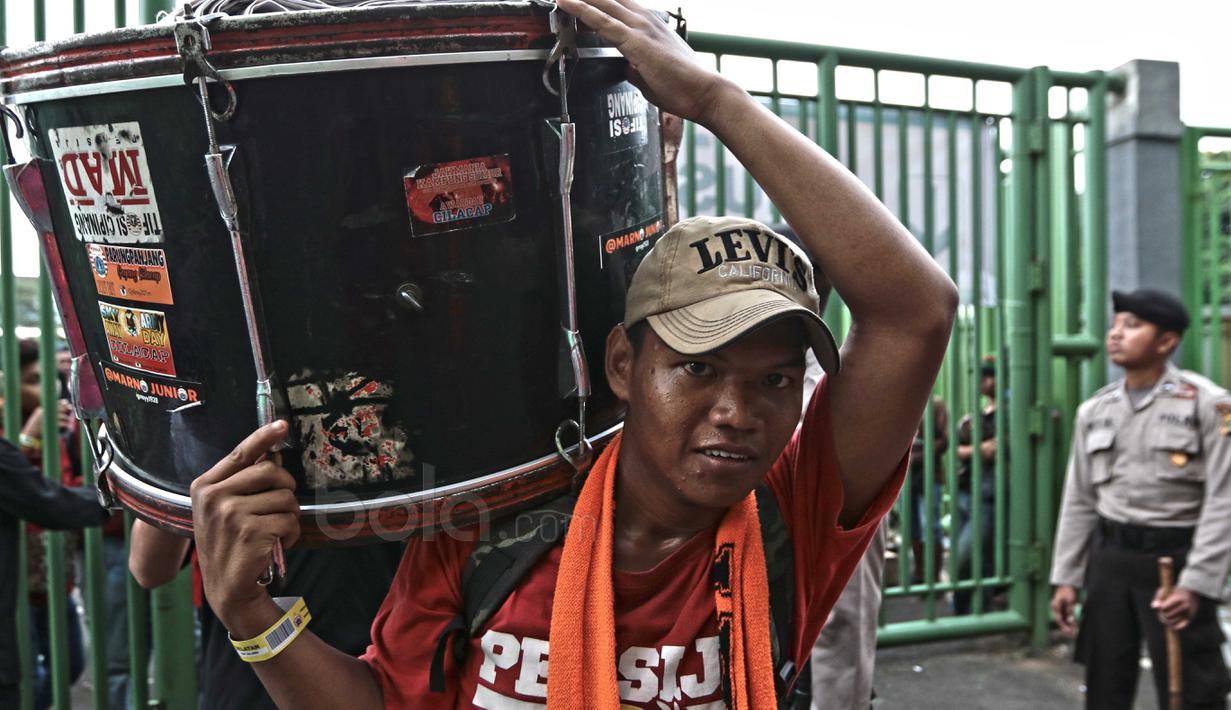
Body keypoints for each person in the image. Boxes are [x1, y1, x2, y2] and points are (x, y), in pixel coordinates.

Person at [187, 0, 958, 707]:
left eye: (775, 381)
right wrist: (249, 616)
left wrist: (714, 100)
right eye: (697, 368)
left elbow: (916, 312)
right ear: (622, 365)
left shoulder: (792, 513)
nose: (735, 411)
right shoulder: (495, 518)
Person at [1050, 288, 1231, 710]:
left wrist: (1197, 583)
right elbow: (1079, 499)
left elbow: (1224, 500)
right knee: (1105, 683)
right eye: (1115, 325)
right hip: (1110, 561)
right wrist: (1067, 577)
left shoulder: (1209, 406)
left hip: (1175, 562)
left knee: (1192, 690)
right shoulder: (1095, 410)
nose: (1115, 334)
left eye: (1132, 325)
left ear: (1166, 341)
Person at [0, 344, 109, 708]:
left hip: (54, 572)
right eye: (33, 380)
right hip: (22, 578)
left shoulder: (61, 426)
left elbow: (63, 484)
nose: (48, 388)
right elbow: (41, 498)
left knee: (70, 662)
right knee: (28, 676)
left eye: (52, 378)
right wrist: (116, 497)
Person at [952, 356, 999, 615]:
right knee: (976, 558)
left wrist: (971, 450)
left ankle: (971, 612)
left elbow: (995, 449)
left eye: (988, 375)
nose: (982, 381)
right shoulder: (975, 418)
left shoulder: (1009, 414)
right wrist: (980, 450)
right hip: (964, 493)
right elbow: (957, 449)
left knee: (965, 558)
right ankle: (969, 613)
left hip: (987, 496)